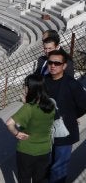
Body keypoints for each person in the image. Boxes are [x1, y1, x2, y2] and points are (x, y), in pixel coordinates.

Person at [44, 49, 86, 183]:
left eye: (57, 63)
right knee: (48, 163)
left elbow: (84, 105)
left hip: (65, 132)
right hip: (45, 131)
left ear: (64, 66)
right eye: (50, 62)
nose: (53, 65)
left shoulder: (72, 84)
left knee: (59, 167)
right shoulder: (43, 81)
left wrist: (71, 115)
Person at [6, 74, 55, 183]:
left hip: (26, 150)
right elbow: (38, 116)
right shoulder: (51, 104)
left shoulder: (28, 108)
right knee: (40, 179)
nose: (24, 87)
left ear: (31, 88)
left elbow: (9, 123)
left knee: (24, 179)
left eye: (25, 85)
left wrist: (17, 134)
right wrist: (26, 102)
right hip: (45, 149)